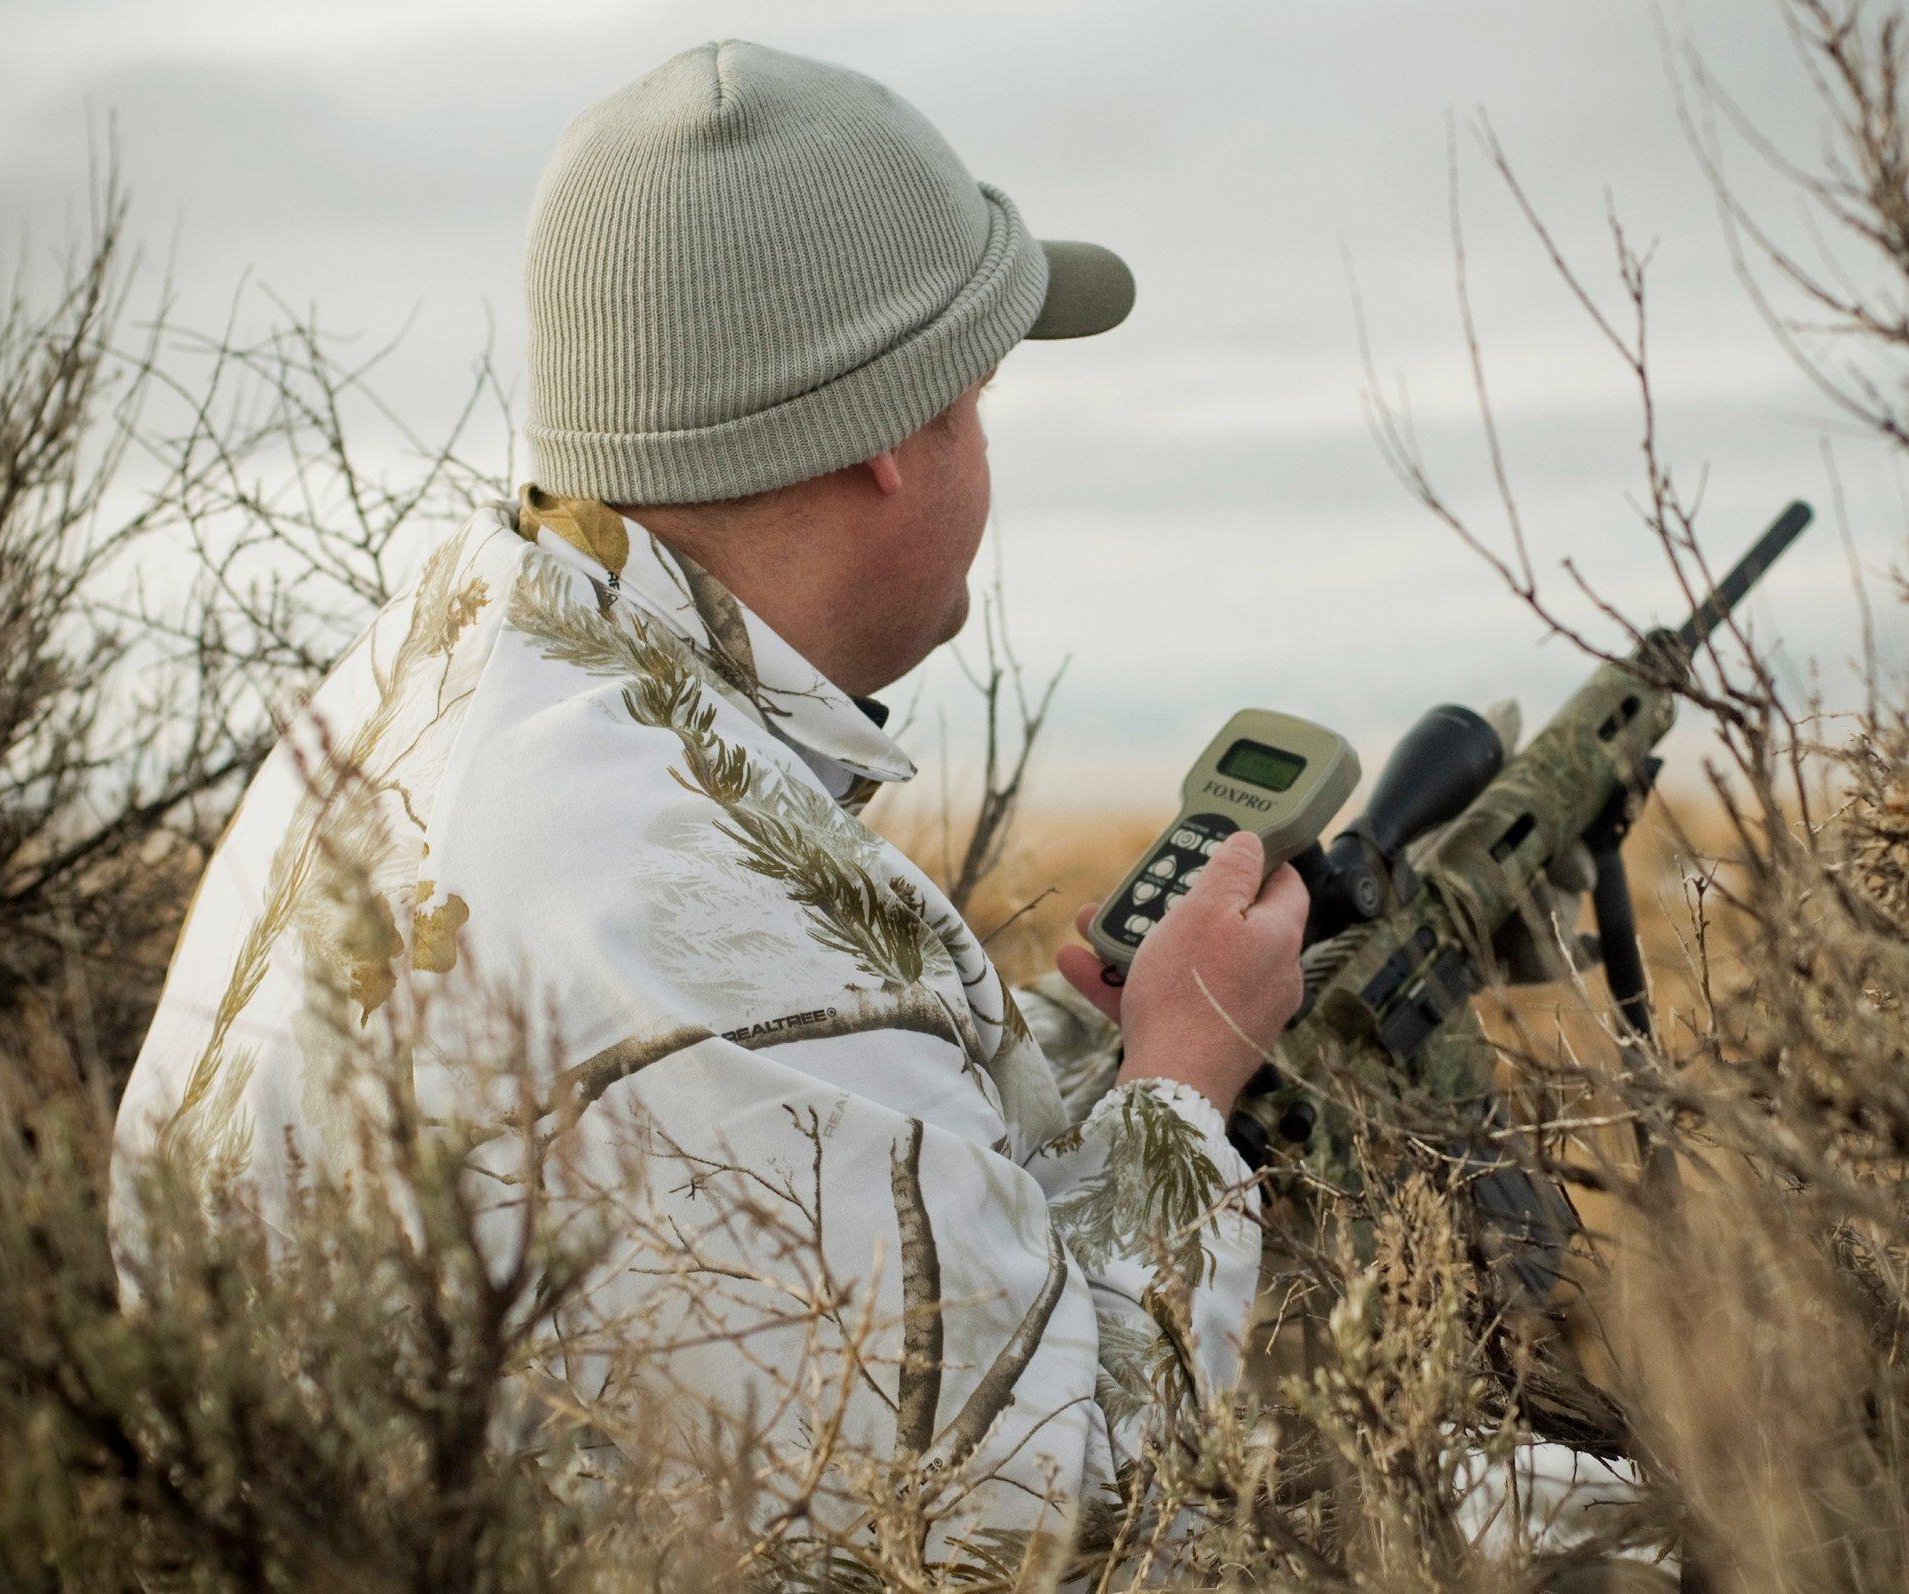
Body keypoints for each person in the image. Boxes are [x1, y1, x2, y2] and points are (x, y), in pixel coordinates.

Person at [111, 38, 1302, 1560]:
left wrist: (1071, 1065)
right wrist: (1186, 1090)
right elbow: (1057, 1533)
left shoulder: (449, 686)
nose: (982, 452)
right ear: (892, 430)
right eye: (976, 398)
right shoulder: (689, 908)